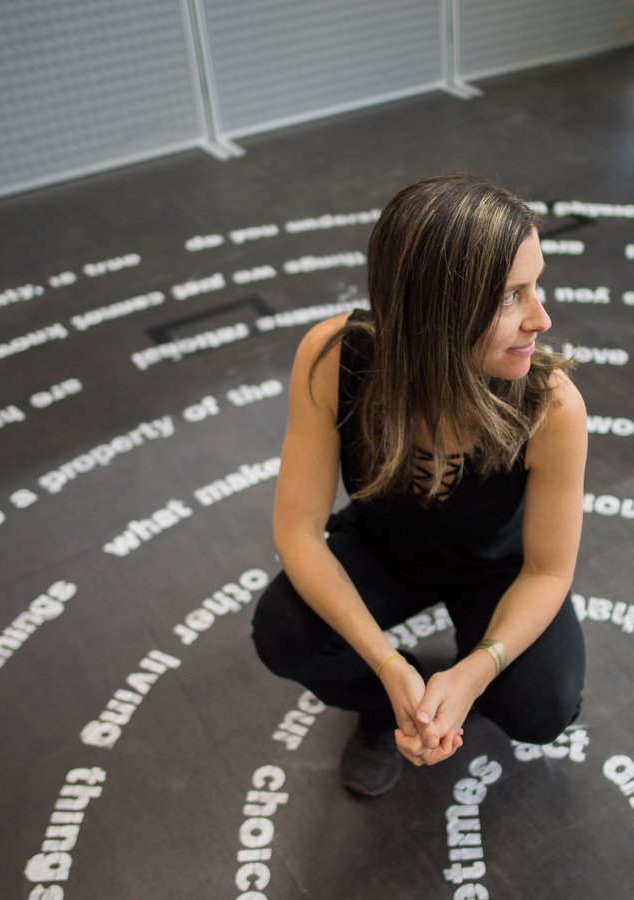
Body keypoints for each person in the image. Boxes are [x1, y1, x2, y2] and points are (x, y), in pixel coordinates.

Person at [252, 174, 587, 797]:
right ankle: (382, 712)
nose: (542, 318)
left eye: (536, 285)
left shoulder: (551, 404)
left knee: (541, 708)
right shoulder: (333, 357)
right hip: (383, 550)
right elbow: (298, 531)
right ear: (436, 309)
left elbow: (547, 571)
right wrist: (388, 668)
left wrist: (473, 674)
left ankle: (450, 701)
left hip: (497, 571)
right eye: (513, 296)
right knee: (283, 634)